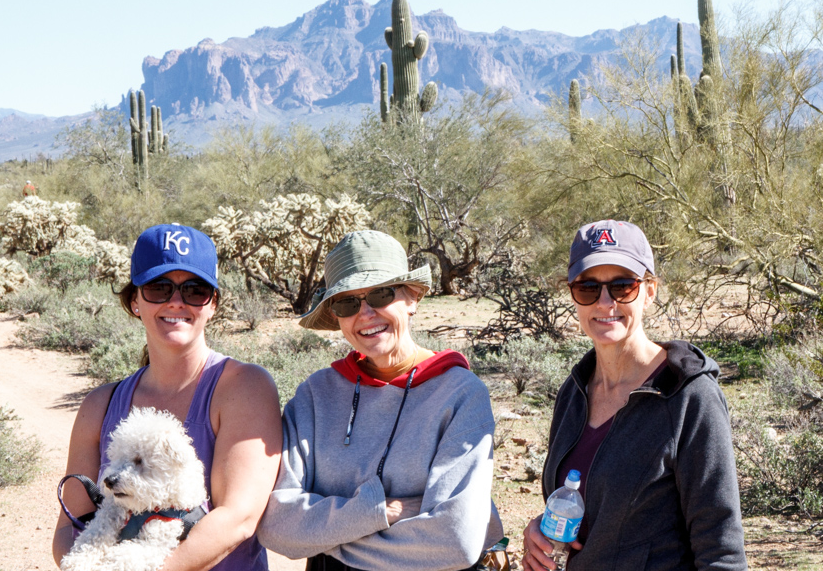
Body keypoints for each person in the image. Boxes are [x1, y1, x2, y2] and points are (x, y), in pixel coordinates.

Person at [257, 230, 504, 571]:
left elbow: (456, 540)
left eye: (380, 294)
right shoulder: (315, 395)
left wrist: (325, 539)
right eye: (346, 302)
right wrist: (379, 511)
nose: (365, 313)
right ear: (336, 315)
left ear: (412, 298)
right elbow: (276, 526)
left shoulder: (460, 394)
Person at [52, 223, 282, 571]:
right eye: (159, 288)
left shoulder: (244, 387)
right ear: (134, 301)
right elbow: (71, 525)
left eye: (195, 290)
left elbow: (238, 518)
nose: (176, 301)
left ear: (213, 303)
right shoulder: (99, 406)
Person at [521, 220, 747, 571]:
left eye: (623, 286)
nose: (605, 302)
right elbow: (594, 510)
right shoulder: (575, 390)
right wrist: (541, 529)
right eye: (588, 288)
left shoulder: (687, 396)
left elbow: (721, 553)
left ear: (650, 290)